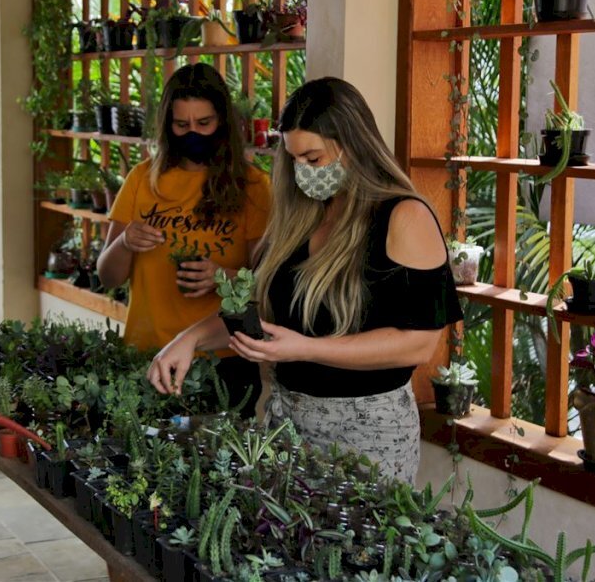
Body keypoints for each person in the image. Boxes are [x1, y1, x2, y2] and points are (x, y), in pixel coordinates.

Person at [147, 77, 463, 482]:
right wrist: (189, 340)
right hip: (285, 422)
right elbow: (260, 314)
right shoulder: (302, 216)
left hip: (366, 433)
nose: (302, 173)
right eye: (294, 160)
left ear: (353, 145)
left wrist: (307, 348)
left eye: (313, 160)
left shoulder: (404, 217)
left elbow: (418, 344)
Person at [97, 63, 272, 416]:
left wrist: (221, 276)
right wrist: (125, 242)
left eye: (203, 123)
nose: (193, 133)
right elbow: (107, 276)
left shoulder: (252, 186)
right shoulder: (142, 178)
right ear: (167, 125)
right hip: (147, 354)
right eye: (182, 125)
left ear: (222, 121)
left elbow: (267, 285)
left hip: (223, 360)